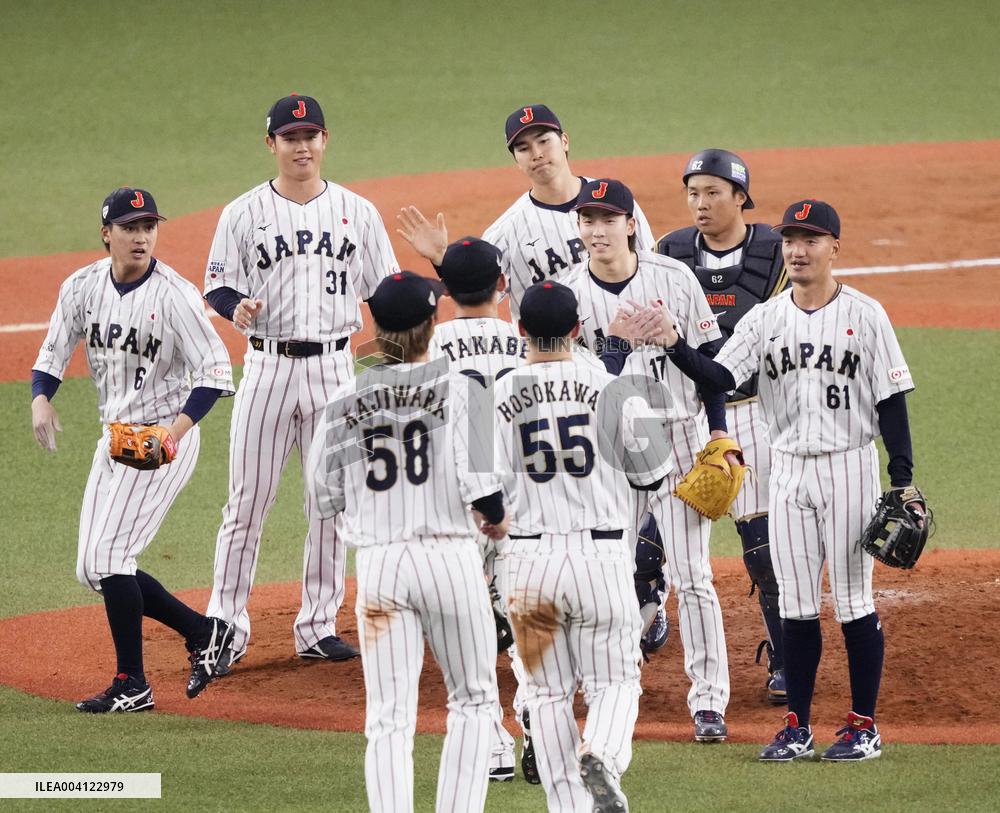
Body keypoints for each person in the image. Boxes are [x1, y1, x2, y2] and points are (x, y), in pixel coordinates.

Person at [644, 200, 922, 761]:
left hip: (849, 465)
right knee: (795, 602)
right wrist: (676, 345)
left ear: (834, 248)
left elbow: (892, 401)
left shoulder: (866, 314)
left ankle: (862, 726)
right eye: (791, 240)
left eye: (811, 240)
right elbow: (721, 374)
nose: (798, 250)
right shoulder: (766, 318)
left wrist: (903, 482)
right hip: (787, 468)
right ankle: (797, 725)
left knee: (850, 599)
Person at [202, 94, 399, 670]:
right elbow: (215, 285)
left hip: (336, 367)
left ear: (325, 139)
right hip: (266, 367)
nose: (301, 146)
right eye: (290, 137)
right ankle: (226, 626)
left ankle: (317, 624)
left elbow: (386, 292)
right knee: (247, 502)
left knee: (331, 503)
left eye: (310, 135)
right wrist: (236, 306)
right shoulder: (242, 213)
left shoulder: (358, 212)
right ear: (272, 144)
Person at [306, 271, 507, 812]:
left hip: (379, 566)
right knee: (473, 698)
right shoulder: (465, 389)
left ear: (377, 327)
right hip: (450, 561)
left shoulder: (345, 397)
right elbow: (484, 490)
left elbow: (322, 496)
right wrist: (495, 520)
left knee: (388, 716)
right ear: (432, 323)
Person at [30, 187, 236, 712]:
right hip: (116, 438)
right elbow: (52, 350)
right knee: (91, 568)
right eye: (130, 226)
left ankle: (133, 683)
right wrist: (40, 400)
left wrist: (176, 432)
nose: (141, 235)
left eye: (148, 226)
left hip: (164, 440)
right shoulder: (81, 286)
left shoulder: (176, 295)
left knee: (110, 558)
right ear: (107, 234)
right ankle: (205, 632)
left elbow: (215, 371)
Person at [491, 280, 673, 812]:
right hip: (601, 557)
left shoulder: (492, 394)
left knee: (546, 694)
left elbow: (478, 494)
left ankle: (567, 806)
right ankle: (603, 754)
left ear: (520, 330)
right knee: (615, 681)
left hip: (525, 562)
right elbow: (654, 476)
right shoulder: (613, 386)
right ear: (577, 330)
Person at [569, 178, 733, 743]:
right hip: (613, 451)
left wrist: (719, 432)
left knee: (692, 576)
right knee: (609, 573)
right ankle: (611, 683)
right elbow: (574, 391)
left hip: (681, 440)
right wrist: (611, 350)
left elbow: (712, 366)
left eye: (607, 219)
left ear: (630, 224)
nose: (597, 230)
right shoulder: (571, 295)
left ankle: (709, 702)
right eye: (588, 220)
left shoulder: (675, 278)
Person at [656, 148, 788, 704]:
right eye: (693, 192)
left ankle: (786, 655)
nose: (701, 203)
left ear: (740, 197)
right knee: (650, 542)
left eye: (713, 192)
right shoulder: (671, 251)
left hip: (753, 412)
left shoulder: (775, 252)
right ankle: (643, 624)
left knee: (759, 545)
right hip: (688, 416)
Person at [395, 102, 655, 321]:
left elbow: (652, 269)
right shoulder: (505, 231)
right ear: (516, 160)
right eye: (523, 148)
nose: (537, 154)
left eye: (544, 141)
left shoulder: (616, 201)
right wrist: (443, 260)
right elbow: (475, 296)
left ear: (564, 141)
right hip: (550, 360)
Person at [426, 237, 526, 782]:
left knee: (464, 631)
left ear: (444, 291)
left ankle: (491, 744)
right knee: (527, 622)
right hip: (520, 505)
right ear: (502, 286)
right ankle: (536, 715)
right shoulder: (527, 341)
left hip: (455, 509)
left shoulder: (427, 346)